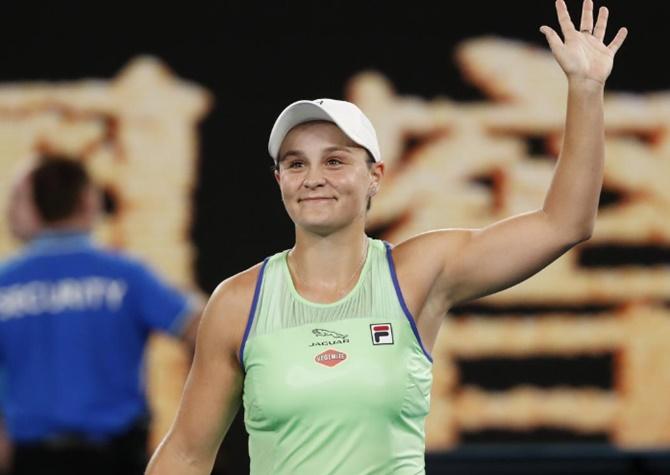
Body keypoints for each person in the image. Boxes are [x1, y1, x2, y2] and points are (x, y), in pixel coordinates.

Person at [146, 1, 627, 473]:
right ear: (279, 181)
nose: (314, 177)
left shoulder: (419, 273)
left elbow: (564, 223)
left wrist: (585, 89)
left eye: (335, 161)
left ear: (374, 176)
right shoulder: (237, 302)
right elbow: (187, 453)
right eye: (296, 163)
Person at [0, 156, 202, 475]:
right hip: (115, 457)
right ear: (87, 200)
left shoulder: (5, 282)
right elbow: (200, 327)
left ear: (37, 205)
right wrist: (198, 423)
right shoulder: (125, 275)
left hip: (33, 460)